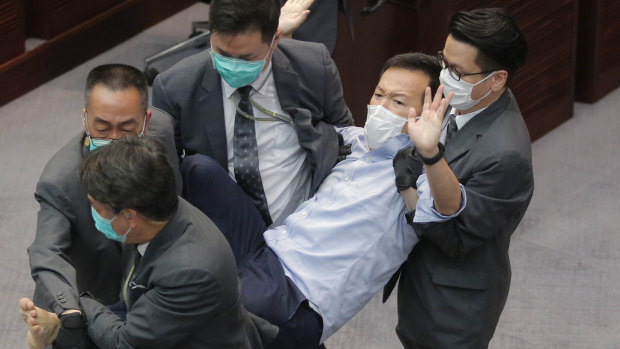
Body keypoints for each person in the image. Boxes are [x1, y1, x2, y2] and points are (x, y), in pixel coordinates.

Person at [181, 53, 460, 348]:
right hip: (267, 247)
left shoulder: (422, 173)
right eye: (379, 94)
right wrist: (271, 43)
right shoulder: (355, 139)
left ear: (429, 112)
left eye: (398, 102)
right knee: (199, 170)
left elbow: (447, 210)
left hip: (295, 293)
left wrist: (430, 151)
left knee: (194, 313)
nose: (380, 106)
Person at [20, 136, 277, 348]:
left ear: (130, 215)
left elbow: (125, 343)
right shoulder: (156, 211)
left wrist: (79, 304)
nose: (93, 215)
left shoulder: (189, 271)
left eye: (97, 208)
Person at [386, 8, 535, 348]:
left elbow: (455, 237)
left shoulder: (506, 154)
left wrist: (409, 182)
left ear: (496, 79)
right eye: (444, 61)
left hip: (453, 307)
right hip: (422, 280)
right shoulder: (469, 97)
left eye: (457, 71)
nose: (444, 76)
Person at [152, 0, 353, 228]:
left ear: (275, 41)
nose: (231, 65)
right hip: (227, 227)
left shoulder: (313, 65)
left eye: (246, 58)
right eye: (221, 53)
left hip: (305, 221)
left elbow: (344, 138)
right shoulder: (175, 88)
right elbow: (165, 176)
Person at [27, 64, 181, 349]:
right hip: (101, 295)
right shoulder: (60, 181)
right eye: (102, 127)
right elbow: (46, 251)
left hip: (161, 282)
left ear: (146, 122)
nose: (113, 140)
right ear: (86, 119)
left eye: (126, 128)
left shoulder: (162, 131)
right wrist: (70, 312)